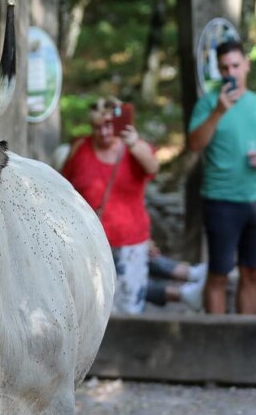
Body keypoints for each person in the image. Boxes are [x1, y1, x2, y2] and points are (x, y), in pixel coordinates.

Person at [63, 98, 205, 314]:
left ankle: (190, 277)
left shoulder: (134, 148)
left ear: (119, 123)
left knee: (129, 304)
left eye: (109, 125)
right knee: (94, 306)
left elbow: (152, 167)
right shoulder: (80, 148)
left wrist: (133, 143)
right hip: (90, 241)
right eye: (97, 127)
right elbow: (65, 187)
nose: (103, 132)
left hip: (129, 241)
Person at [187, 40, 256, 315]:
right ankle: (217, 341)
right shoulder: (208, 103)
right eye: (225, 67)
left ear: (246, 65)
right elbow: (194, 144)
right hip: (221, 201)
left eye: (236, 65)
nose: (231, 72)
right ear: (219, 70)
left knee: (252, 272)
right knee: (218, 275)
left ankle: (246, 335)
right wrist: (218, 111)